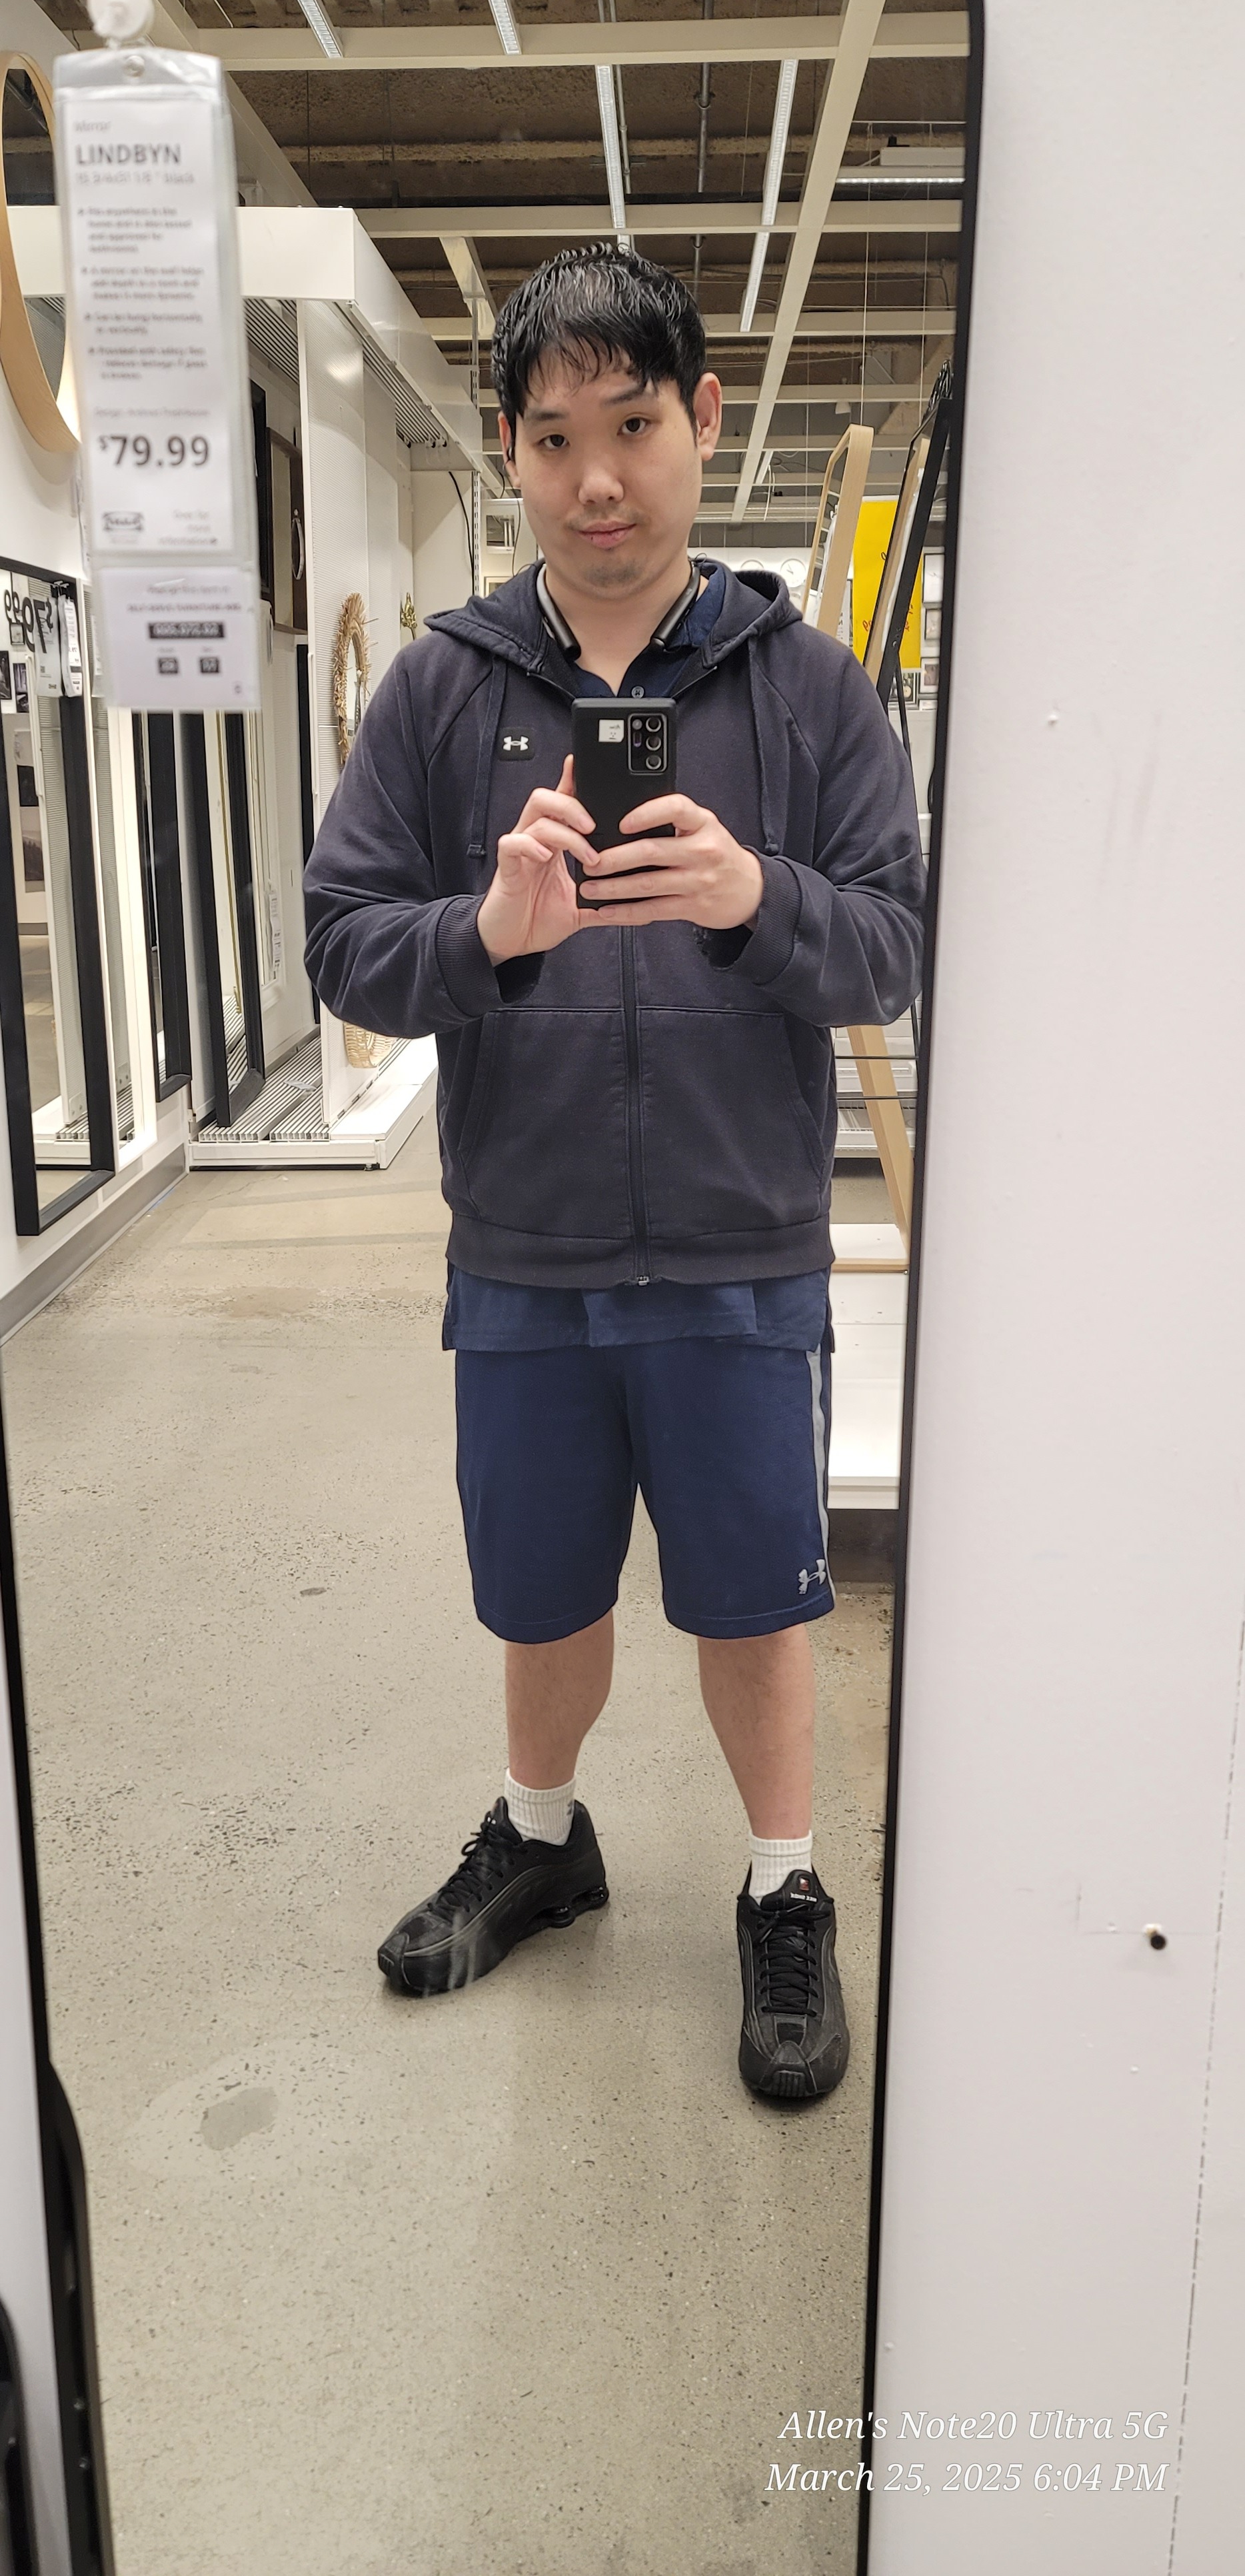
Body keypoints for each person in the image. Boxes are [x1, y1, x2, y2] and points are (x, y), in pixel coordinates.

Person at [303, 245, 924, 2102]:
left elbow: (893, 944)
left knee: (759, 1596)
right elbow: (342, 941)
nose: (597, 480)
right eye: (555, 437)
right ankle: (542, 1838)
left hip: (742, 1249)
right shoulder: (441, 687)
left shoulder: (805, 688)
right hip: (525, 1245)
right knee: (542, 1589)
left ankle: (783, 1884)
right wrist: (485, 937)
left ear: (701, 420)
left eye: (633, 426)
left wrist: (753, 900)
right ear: (508, 447)